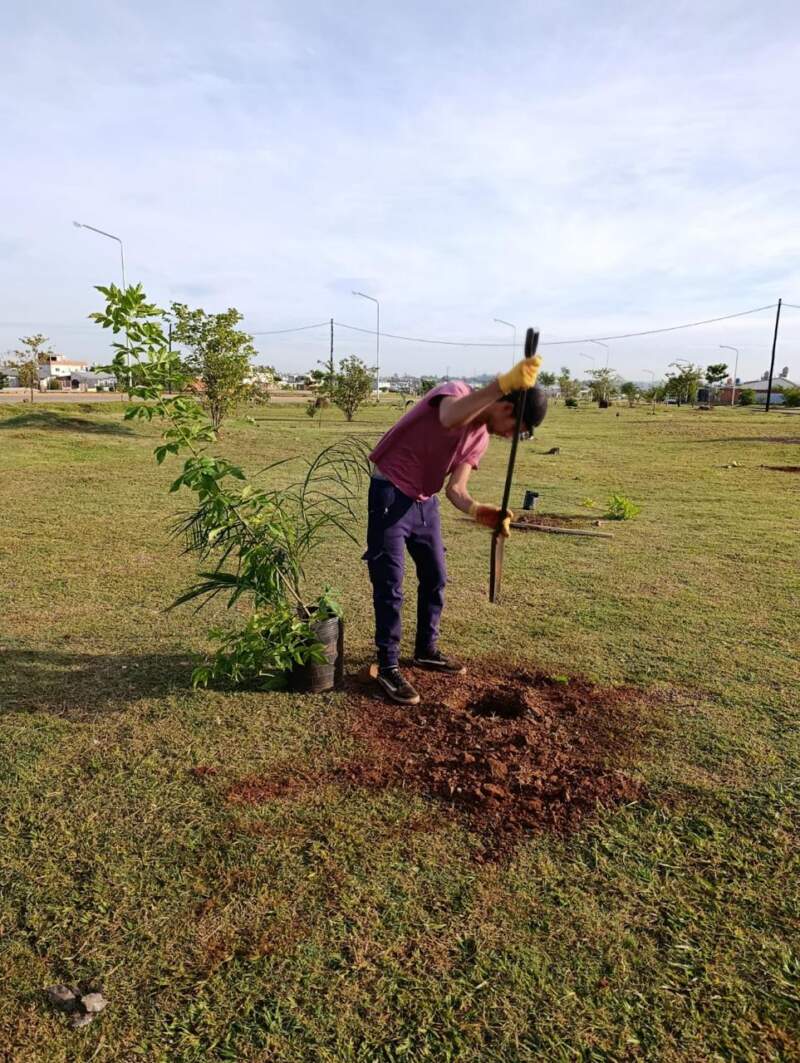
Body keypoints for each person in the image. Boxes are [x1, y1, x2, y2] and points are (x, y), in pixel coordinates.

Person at [364, 356, 547, 704]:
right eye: (515, 428)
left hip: (424, 502)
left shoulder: (480, 439)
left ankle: (426, 650)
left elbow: (455, 490)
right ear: (505, 408)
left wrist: (482, 512)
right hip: (389, 492)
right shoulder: (455, 392)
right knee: (390, 582)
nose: (510, 436)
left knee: (435, 575)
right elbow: (449, 417)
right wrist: (502, 383)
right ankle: (388, 666)